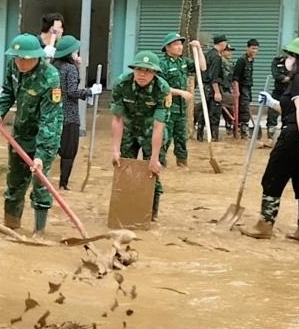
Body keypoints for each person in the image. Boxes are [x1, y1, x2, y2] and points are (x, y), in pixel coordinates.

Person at [240, 37, 299, 242]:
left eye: (291, 55)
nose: (287, 59)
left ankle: (265, 226)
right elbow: (293, 108)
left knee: (273, 177)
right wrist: (272, 103)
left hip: (297, 135)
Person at [0, 34, 63, 236]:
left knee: (40, 184)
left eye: (25, 59)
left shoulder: (50, 77)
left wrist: (40, 154)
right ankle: (11, 226)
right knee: (14, 182)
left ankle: (39, 232)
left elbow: (49, 120)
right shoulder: (13, 67)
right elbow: (8, 92)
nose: (20, 63)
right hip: (20, 134)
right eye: (17, 58)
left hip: (45, 135)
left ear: (37, 57)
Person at [110, 50, 172, 221]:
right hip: (128, 130)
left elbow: (159, 126)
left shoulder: (162, 89)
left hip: (151, 132)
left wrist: (154, 157)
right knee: (124, 169)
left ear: (154, 73)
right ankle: (125, 210)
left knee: (152, 171)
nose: (142, 74)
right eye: (139, 69)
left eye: (147, 71)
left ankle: (151, 213)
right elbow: (117, 118)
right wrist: (115, 149)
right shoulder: (121, 84)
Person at [53, 35, 101, 189]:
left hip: (53, 114)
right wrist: (90, 92)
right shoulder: (70, 68)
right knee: (69, 151)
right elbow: (72, 91)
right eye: (75, 51)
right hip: (70, 115)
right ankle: (63, 183)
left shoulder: (54, 67)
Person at [156, 32, 205, 166]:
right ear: (167, 47)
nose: (180, 47)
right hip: (167, 108)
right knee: (164, 137)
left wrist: (199, 49)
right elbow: (160, 86)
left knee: (182, 138)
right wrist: (181, 92)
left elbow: (202, 67)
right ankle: (160, 163)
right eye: (176, 44)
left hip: (182, 109)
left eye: (181, 44)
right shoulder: (162, 64)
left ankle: (182, 163)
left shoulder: (183, 62)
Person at [198, 34, 228, 141]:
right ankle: (214, 137)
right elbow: (214, 76)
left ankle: (200, 135)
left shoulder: (208, 54)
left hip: (206, 88)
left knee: (204, 110)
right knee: (214, 113)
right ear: (222, 44)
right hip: (212, 88)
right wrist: (217, 92)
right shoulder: (216, 57)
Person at [233, 39, 259, 133]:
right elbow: (235, 77)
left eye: (256, 49)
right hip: (241, 87)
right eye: (253, 48)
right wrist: (237, 91)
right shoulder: (241, 60)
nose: (254, 51)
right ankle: (242, 128)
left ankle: (244, 126)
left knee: (247, 105)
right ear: (247, 48)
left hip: (248, 87)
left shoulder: (251, 60)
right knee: (243, 107)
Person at [267, 51, 290, 140]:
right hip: (278, 91)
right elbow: (276, 75)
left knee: (287, 114)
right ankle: (271, 133)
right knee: (272, 112)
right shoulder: (277, 61)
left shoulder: (296, 62)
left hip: (289, 92)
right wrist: (288, 78)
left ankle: (284, 134)